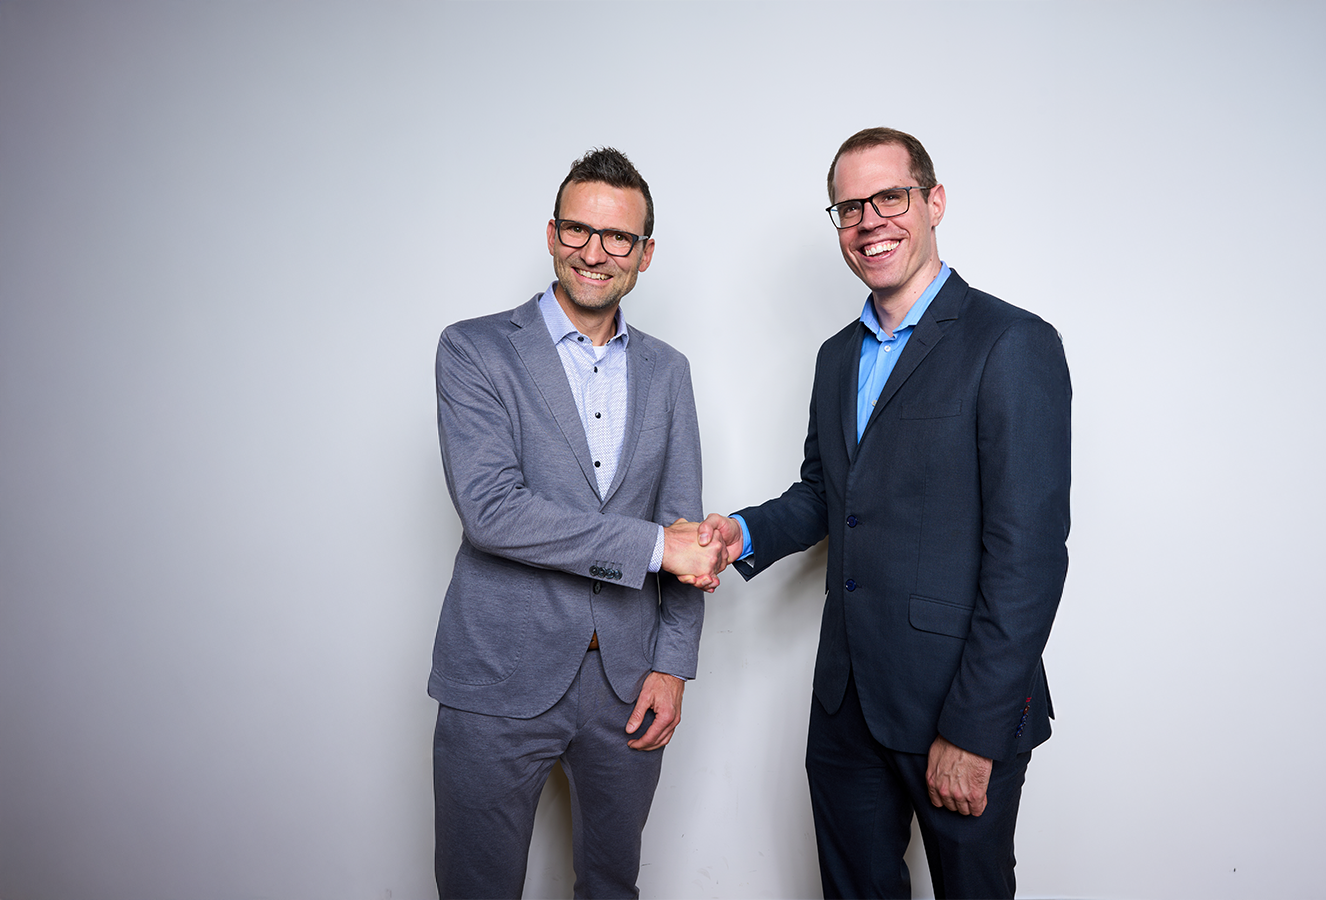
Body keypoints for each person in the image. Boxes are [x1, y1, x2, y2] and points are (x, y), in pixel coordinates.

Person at [699, 127, 1071, 900]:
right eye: (849, 208)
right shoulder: (837, 357)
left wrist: (973, 729)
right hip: (846, 707)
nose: (870, 222)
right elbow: (825, 494)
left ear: (934, 202)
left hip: (957, 707)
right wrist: (743, 532)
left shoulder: (1012, 343)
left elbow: (1029, 557)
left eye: (890, 197)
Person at [429, 147, 725, 899]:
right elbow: (493, 511)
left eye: (618, 237)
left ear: (644, 253)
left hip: (628, 684)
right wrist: (656, 548)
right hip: (497, 675)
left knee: (611, 886)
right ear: (552, 234)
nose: (595, 252)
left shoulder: (668, 371)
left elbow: (683, 523)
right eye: (578, 230)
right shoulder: (474, 350)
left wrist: (673, 667)